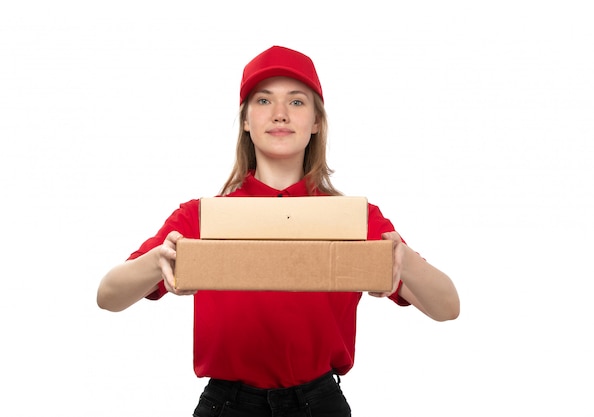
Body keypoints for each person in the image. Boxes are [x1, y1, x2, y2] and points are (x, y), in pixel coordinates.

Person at [97, 45, 460, 417]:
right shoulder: (202, 218)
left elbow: (448, 307)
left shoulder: (353, 219)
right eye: (264, 100)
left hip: (318, 405)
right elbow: (108, 296)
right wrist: (158, 261)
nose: (281, 114)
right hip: (227, 405)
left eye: (297, 102)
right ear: (245, 121)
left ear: (317, 121)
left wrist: (405, 261)